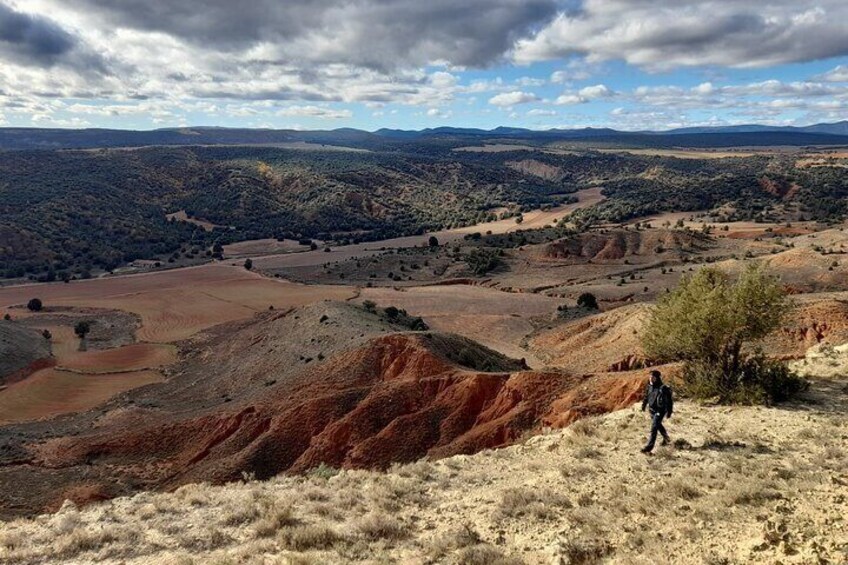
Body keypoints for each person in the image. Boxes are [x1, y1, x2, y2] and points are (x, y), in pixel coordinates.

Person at [640, 369, 673, 453]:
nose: (651, 378)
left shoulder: (663, 388)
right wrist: (643, 406)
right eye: (650, 376)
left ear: (657, 378)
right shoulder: (649, 386)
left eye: (653, 377)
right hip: (651, 410)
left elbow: (670, 401)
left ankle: (649, 448)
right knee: (658, 426)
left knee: (654, 427)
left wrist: (669, 412)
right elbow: (646, 397)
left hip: (660, 411)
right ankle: (667, 439)